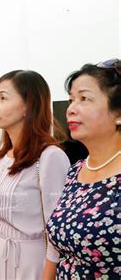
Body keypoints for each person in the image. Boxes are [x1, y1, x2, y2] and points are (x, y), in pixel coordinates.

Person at [0, 70, 71, 280]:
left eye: (3, 98)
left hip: (32, 264)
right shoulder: (3, 158)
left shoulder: (50, 157)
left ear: (28, 105)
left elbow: (56, 234)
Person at [46, 59, 121, 279]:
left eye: (84, 99)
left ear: (118, 113)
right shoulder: (76, 170)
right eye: (71, 100)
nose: (71, 109)